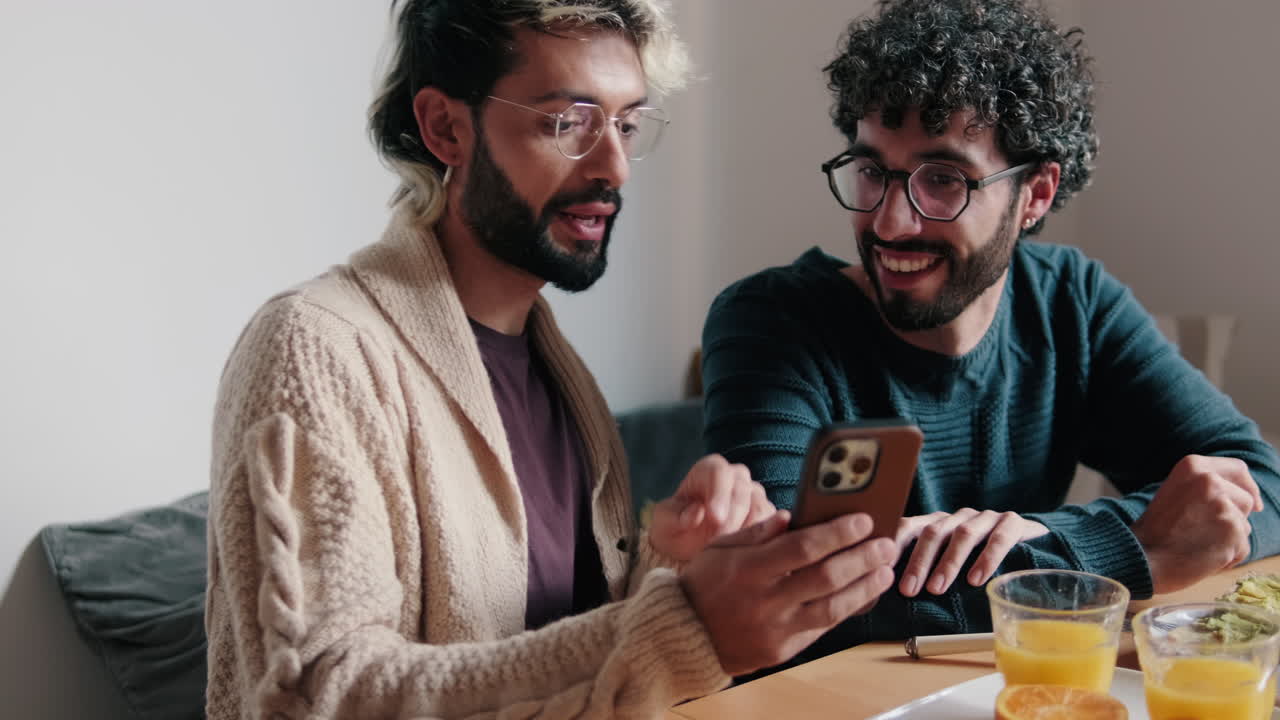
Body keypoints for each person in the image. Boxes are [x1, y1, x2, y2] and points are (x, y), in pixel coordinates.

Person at [205, 1, 901, 717]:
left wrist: (672, 560)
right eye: (568, 122)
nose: (616, 167)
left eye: (627, 124)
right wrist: (689, 625)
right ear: (446, 127)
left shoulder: (561, 377)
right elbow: (321, 692)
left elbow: (583, 667)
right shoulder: (315, 348)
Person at [701, 0, 1280, 662]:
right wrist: (1138, 549)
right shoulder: (772, 322)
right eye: (871, 171)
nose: (891, 223)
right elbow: (791, 593)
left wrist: (1036, 534)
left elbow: (1259, 483)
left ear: (1034, 194)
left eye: (942, 179)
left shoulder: (1072, 304)